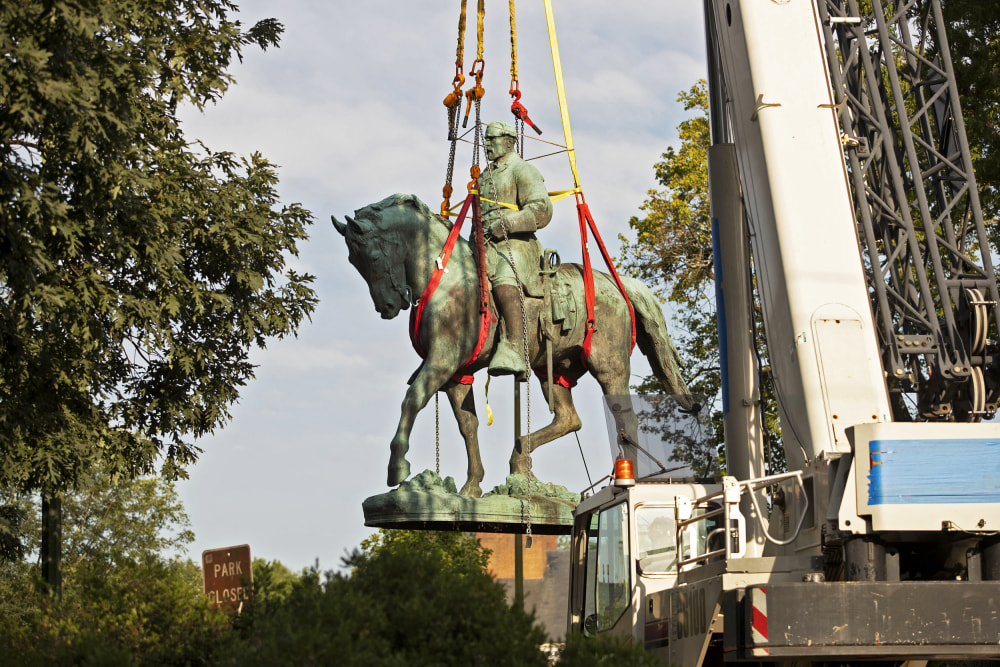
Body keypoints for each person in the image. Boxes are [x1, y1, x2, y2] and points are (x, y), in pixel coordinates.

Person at [476, 120, 553, 377]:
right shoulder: (486, 175)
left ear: (509, 141)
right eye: (485, 139)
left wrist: (507, 223)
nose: (486, 144)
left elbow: (542, 209)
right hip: (486, 246)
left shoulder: (522, 170)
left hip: (517, 246)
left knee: (504, 281)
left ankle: (515, 348)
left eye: (492, 139)